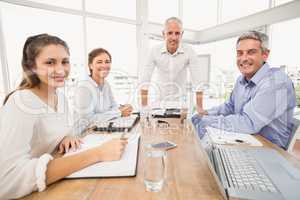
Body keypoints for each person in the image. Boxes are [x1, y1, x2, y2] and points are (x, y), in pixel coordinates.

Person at [0, 34, 128, 199]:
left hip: (56, 181)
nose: (60, 70)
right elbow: (7, 180)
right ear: (31, 66)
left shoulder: (59, 97)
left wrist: (65, 137)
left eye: (65, 62)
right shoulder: (21, 101)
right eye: (50, 62)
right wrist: (98, 153)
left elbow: (51, 131)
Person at [192, 30, 296, 149]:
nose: (244, 58)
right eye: (240, 53)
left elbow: (249, 122)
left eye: (251, 52)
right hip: (244, 141)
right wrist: (206, 113)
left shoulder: (277, 82)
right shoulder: (241, 80)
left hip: (268, 151)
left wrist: (206, 120)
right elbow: (230, 107)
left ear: (265, 54)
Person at [139, 17, 204, 106]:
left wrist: (200, 108)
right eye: (170, 33)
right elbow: (145, 80)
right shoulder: (154, 51)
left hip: (180, 102)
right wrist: (144, 107)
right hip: (160, 102)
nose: (173, 37)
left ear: (182, 34)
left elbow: (198, 81)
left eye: (177, 33)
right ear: (163, 34)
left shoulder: (189, 51)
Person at [73, 48, 133, 133]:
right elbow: (88, 120)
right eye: (99, 62)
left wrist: (123, 108)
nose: (104, 65)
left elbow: (113, 106)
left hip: (101, 129)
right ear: (90, 66)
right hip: (84, 135)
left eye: (107, 62)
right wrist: (119, 112)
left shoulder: (106, 84)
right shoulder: (84, 87)